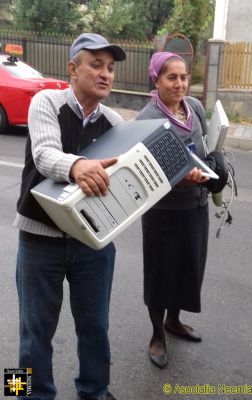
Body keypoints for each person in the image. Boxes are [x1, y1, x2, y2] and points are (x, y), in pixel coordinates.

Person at [14, 33, 126, 400]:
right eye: (96, 65)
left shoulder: (113, 122)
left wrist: (178, 178)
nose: (105, 74)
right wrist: (78, 165)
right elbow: (45, 154)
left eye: (110, 68)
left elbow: (129, 178)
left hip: (91, 241)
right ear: (72, 68)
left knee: (95, 326)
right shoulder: (46, 101)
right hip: (38, 238)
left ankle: (95, 390)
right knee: (33, 331)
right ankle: (23, 394)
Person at [136, 51, 210, 369]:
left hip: (195, 205)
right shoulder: (148, 119)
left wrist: (213, 164)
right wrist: (177, 181)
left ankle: (174, 321)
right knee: (160, 273)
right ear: (157, 80)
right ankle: (157, 334)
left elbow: (205, 145)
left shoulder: (194, 107)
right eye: (172, 77)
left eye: (184, 77)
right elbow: (142, 172)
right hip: (163, 213)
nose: (180, 84)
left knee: (186, 268)